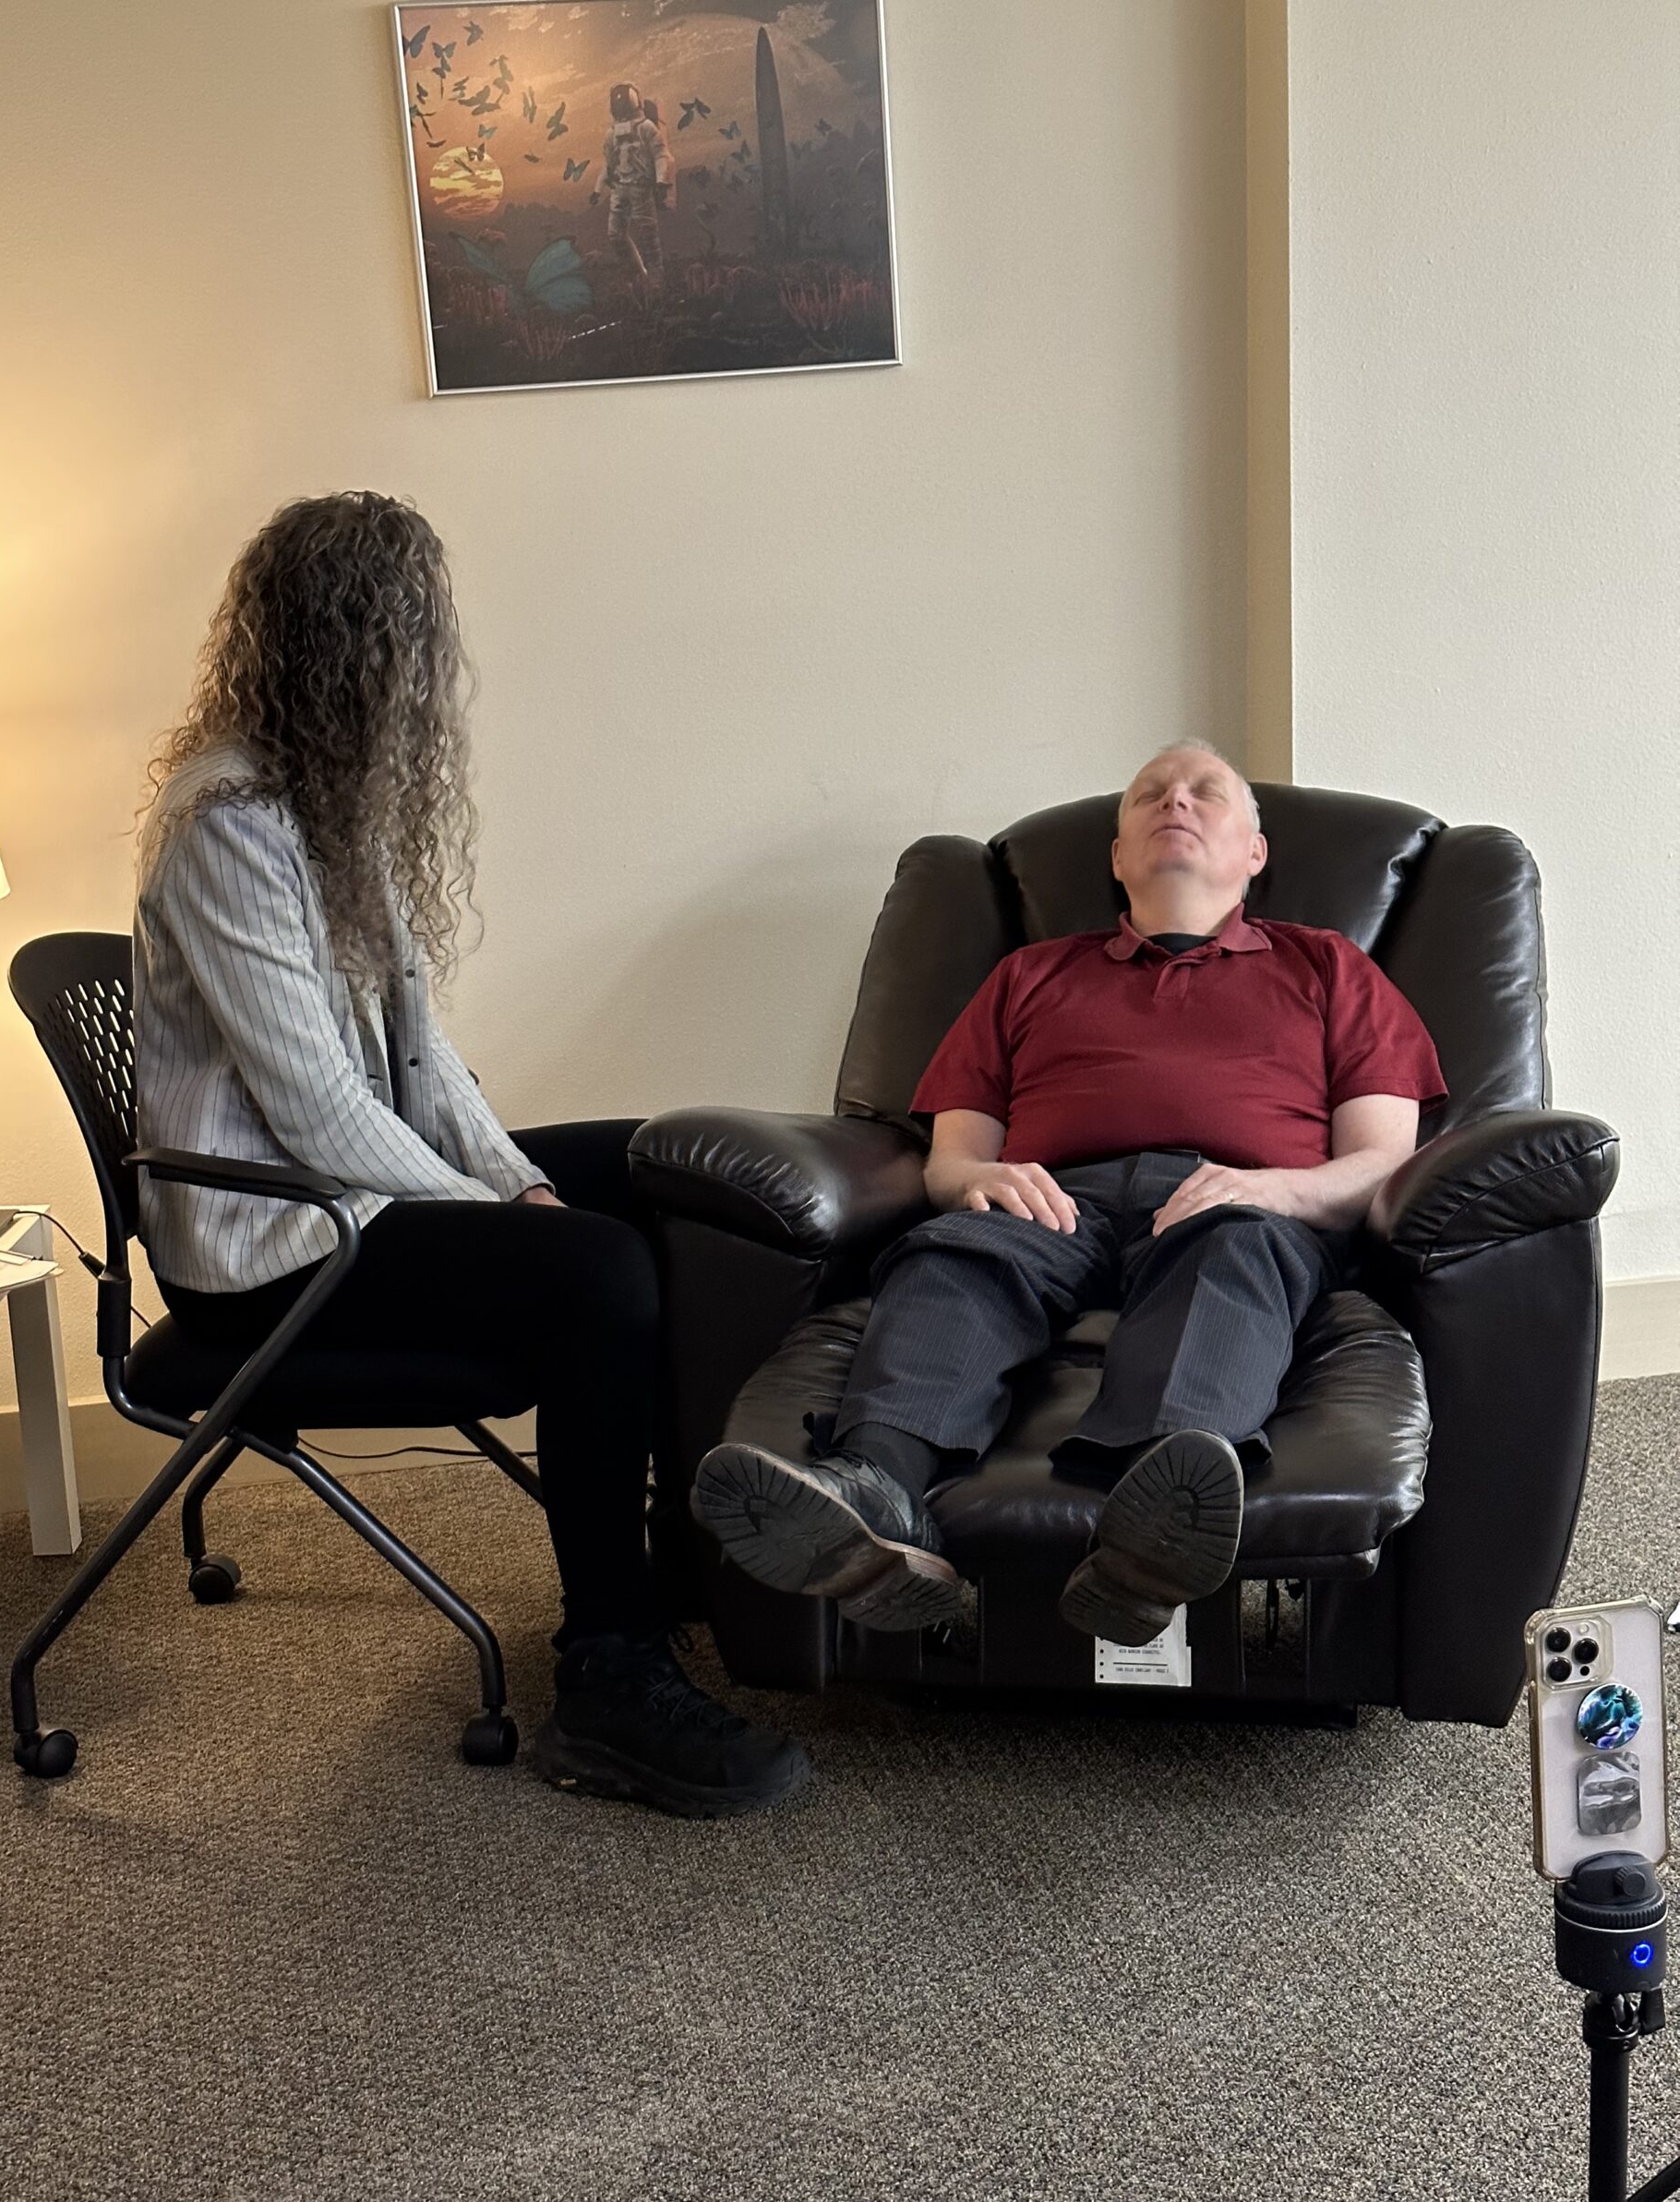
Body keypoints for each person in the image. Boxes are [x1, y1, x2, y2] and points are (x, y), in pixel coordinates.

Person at [136, 489, 806, 1816]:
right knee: (595, 1273)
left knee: (669, 1167)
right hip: (270, 1247)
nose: (432, 677)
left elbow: (425, 1062)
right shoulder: (230, 825)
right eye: (414, 644)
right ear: (347, 650)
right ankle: (608, 1672)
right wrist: (518, 1224)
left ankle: (681, 1556)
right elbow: (317, 1110)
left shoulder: (337, 805)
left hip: (351, 1200)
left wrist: (522, 1185)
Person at [693, 740, 1447, 1646]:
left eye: (1205, 792)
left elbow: (1382, 1160)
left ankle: (1154, 1528)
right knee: (957, 1249)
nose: (1175, 801)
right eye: (1150, 795)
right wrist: (979, 1180)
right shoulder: (1029, 975)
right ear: (1118, 856)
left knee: (1231, 1252)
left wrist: (1273, 1192)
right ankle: (879, 1498)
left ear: (1256, 852)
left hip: (1238, 1204)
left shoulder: (1328, 967)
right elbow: (949, 1162)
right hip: (1054, 1200)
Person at [601, 82, 674, 282]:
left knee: (648, 233)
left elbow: (661, 155)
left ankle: (656, 279)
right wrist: (607, 180)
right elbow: (609, 162)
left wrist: (661, 180)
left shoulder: (646, 128)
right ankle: (639, 275)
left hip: (640, 187)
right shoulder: (612, 134)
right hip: (621, 188)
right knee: (615, 235)